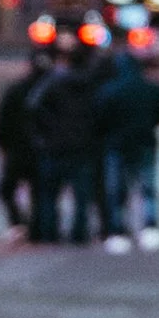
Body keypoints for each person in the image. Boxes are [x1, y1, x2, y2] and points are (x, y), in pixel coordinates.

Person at [26, 37, 104, 245]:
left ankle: (49, 234)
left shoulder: (52, 83)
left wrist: (44, 133)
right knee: (81, 197)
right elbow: (100, 112)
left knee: (49, 196)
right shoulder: (90, 84)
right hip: (81, 146)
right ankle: (79, 234)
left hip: (55, 146)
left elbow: (33, 105)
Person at [92, 37, 159, 252]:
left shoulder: (110, 90)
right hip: (145, 143)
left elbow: (100, 119)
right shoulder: (151, 89)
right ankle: (150, 228)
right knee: (148, 189)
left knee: (117, 191)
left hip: (117, 145)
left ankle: (118, 231)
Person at [0, 47, 52, 233]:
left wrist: (2, 145)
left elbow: (3, 120)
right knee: (40, 193)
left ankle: (19, 224)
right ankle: (37, 230)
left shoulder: (17, 90)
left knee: (7, 189)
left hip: (19, 149)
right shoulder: (53, 90)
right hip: (41, 149)